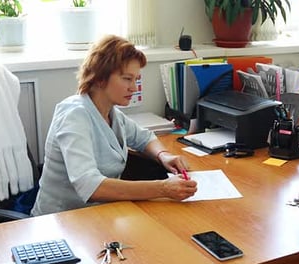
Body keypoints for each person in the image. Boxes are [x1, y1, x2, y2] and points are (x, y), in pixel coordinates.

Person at [31, 35, 197, 216]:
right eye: (127, 79)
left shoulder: (111, 113)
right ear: (101, 77)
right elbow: (91, 186)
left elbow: (144, 138)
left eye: (135, 79)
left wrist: (164, 156)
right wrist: (163, 188)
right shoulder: (74, 116)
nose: (133, 88)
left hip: (99, 216)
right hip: (62, 221)